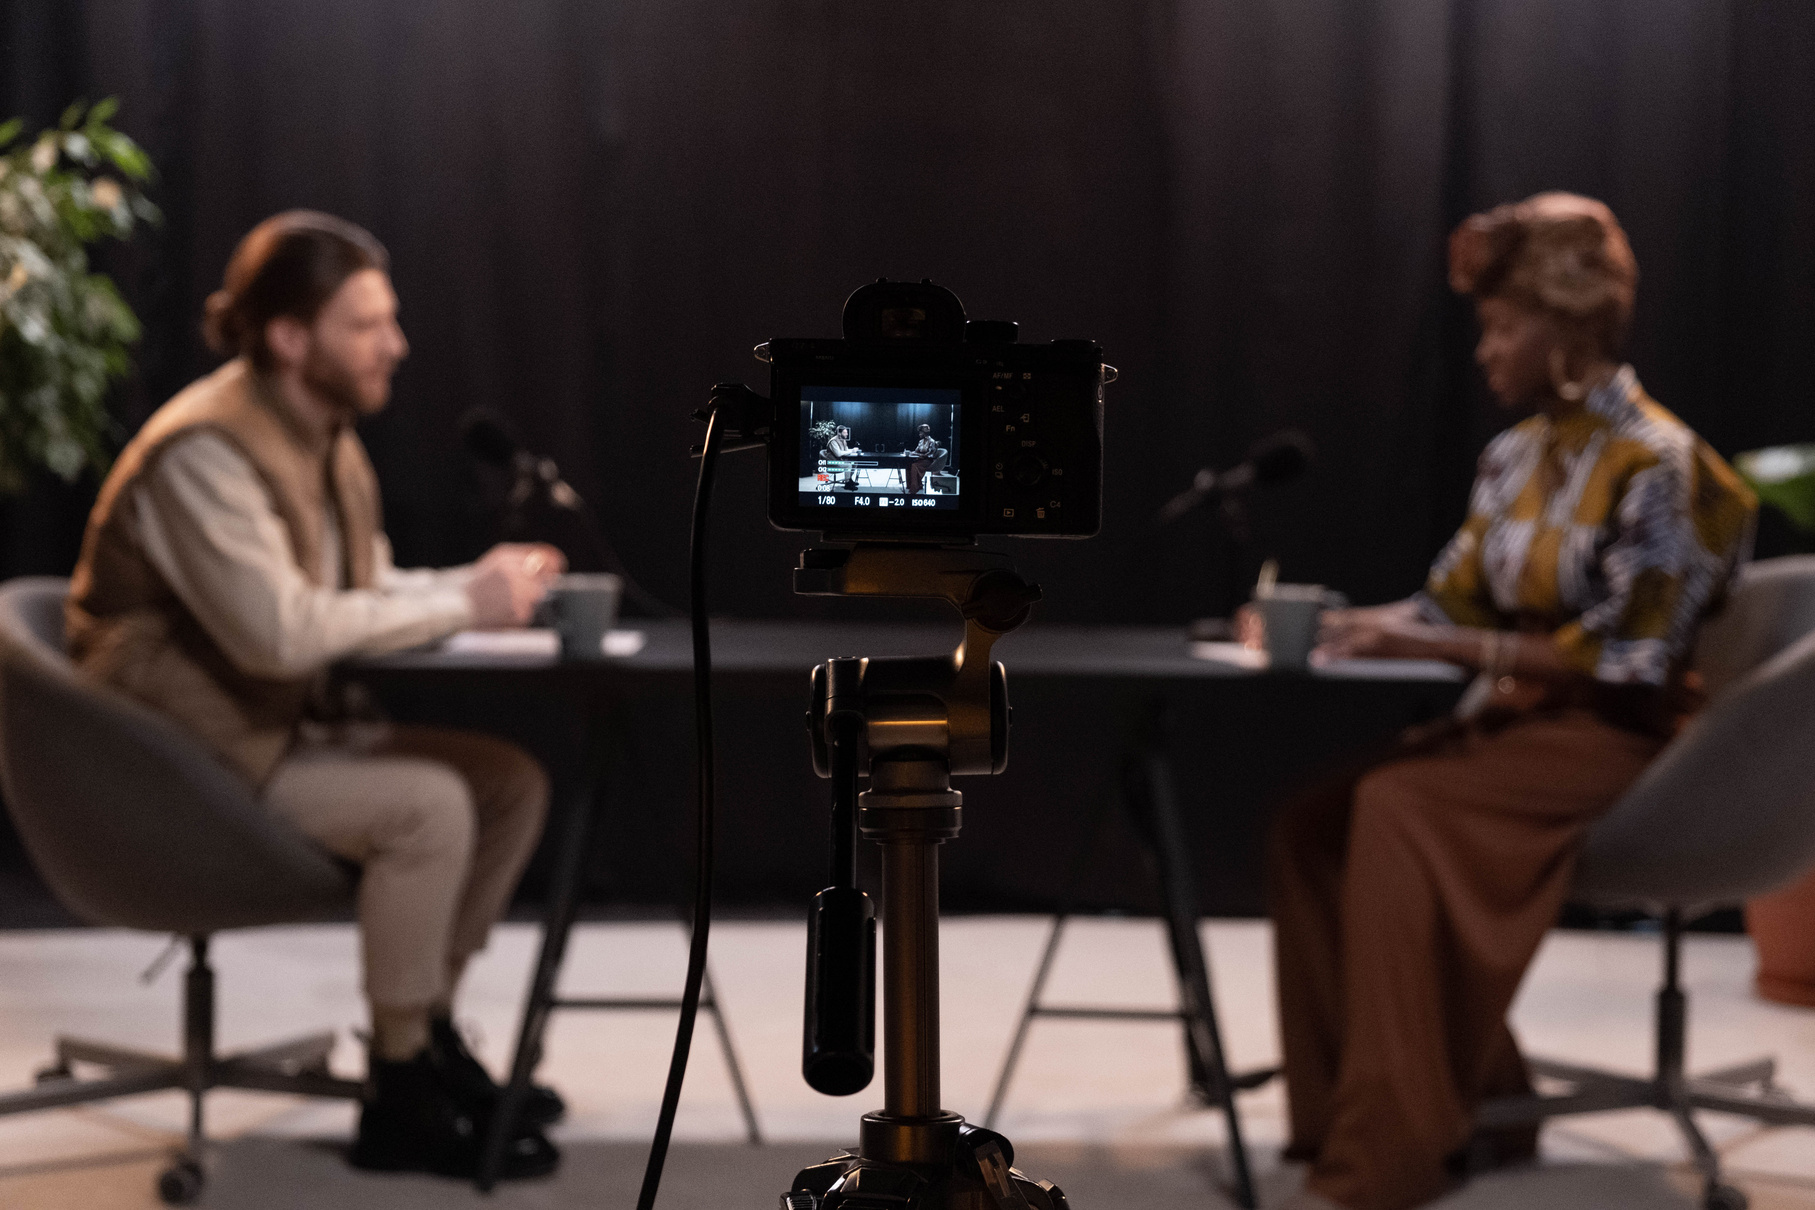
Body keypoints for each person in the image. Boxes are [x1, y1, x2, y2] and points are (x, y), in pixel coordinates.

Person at [1268, 193, 1756, 1210]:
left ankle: (1384, 1159)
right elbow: (1439, 604)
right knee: (1310, 823)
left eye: (1501, 328)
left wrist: (1443, 642)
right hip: (1523, 726)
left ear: (1567, 327)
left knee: (1398, 811)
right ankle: (1412, 1110)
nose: (1486, 354)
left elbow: (1631, 659)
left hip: (1631, 740)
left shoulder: (1665, 465)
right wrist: (1330, 623)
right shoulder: (1514, 458)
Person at [65, 211, 569, 1181]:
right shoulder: (202, 452)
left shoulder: (324, 437)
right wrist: (461, 600)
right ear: (291, 337)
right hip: (175, 764)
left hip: (264, 734)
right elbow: (280, 631)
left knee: (507, 783)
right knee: (426, 808)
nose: (397, 345)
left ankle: (420, 1039)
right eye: (366, 324)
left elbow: (361, 589)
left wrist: (478, 589)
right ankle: (397, 1092)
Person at [906, 422, 948, 494]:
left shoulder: (932, 442)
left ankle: (914, 488)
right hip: (921, 459)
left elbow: (931, 454)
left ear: (924, 433)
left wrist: (920, 455)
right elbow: (916, 451)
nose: (919, 434)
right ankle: (915, 485)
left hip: (928, 461)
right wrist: (910, 452)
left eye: (920, 432)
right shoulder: (921, 442)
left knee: (914, 466)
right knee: (908, 464)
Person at [826, 424, 863, 490]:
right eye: (845, 433)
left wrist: (853, 450)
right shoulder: (833, 441)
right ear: (839, 433)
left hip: (839, 461)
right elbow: (838, 454)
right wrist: (851, 451)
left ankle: (849, 480)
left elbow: (845, 450)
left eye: (847, 432)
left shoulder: (843, 440)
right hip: (833, 463)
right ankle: (847, 484)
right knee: (848, 465)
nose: (847, 434)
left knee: (854, 463)